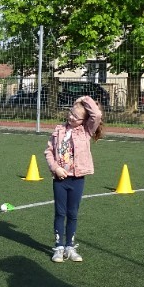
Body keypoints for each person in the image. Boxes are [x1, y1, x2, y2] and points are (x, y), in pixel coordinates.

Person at [44, 95, 104, 262]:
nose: (71, 117)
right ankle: (59, 247)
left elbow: (97, 115)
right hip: (60, 180)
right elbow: (48, 152)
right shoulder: (59, 130)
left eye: (76, 117)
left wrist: (84, 99)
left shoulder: (86, 131)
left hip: (77, 180)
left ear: (83, 120)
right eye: (70, 113)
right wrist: (55, 168)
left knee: (73, 214)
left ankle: (70, 247)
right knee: (60, 213)